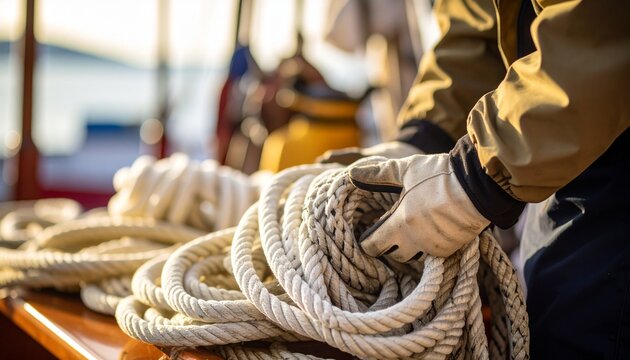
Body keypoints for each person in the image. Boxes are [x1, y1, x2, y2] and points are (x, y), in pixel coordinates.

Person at [319, 0, 630, 358]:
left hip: (609, 149)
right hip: (558, 148)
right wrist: (423, 136)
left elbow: (602, 25)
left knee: (576, 329)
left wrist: (475, 175)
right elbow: (482, 23)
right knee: (548, 320)